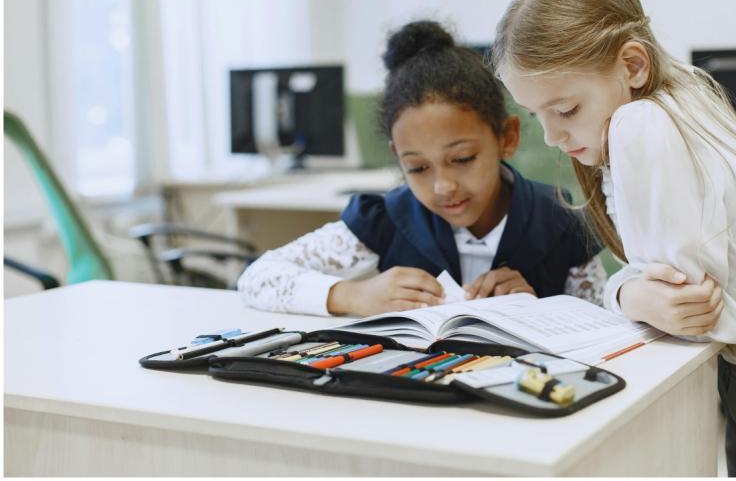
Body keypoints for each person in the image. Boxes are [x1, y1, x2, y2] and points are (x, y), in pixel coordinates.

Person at [492, 0, 736, 477]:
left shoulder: (642, 125)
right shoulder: (686, 95)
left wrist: (625, 292)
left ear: (632, 66)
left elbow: (689, 310)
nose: (552, 137)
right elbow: (662, 287)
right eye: (534, 114)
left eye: (565, 110)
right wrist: (630, 290)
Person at [238, 20, 710, 319]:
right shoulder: (383, 219)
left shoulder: (560, 220)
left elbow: (601, 320)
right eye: (417, 168)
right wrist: (352, 296)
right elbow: (259, 276)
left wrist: (539, 308)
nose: (443, 186)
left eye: (462, 159)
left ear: (506, 137)